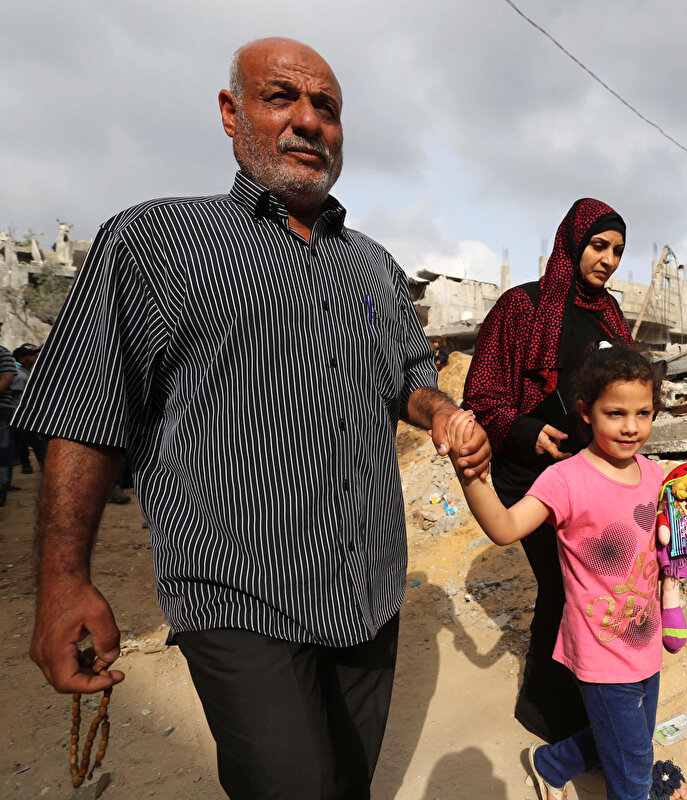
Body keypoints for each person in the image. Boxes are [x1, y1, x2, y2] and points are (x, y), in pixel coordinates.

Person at [16, 38, 491, 800]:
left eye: (327, 109)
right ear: (232, 114)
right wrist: (64, 580)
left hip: (367, 587)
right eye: (281, 98)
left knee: (348, 782)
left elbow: (405, 375)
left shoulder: (372, 265)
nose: (308, 121)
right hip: (238, 589)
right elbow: (84, 408)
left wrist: (440, 409)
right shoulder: (155, 242)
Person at [447, 346, 687, 800]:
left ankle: (551, 763)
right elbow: (505, 528)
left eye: (643, 413)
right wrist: (473, 478)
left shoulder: (654, 475)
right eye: (616, 412)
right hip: (601, 650)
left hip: (644, 639)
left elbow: (673, 543)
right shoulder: (565, 480)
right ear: (585, 412)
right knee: (634, 768)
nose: (631, 426)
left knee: (631, 741)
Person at [463, 198, 634, 743]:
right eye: (599, 245)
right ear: (573, 241)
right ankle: (549, 717)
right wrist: (523, 430)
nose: (607, 260)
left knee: (592, 590)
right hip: (533, 476)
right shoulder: (523, 308)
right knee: (562, 588)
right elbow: (482, 389)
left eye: (617, 252)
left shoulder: (611, 318)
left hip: (594, 477)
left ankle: (589, 707)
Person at [11, 344, 47, 474]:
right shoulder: (20, 376)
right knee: (34, 442)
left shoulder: (28, 372)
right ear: (22, 359)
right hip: (20, 414)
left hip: (26, 414)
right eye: (31, 354)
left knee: (27, 442)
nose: (36, 356)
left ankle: (31, 465)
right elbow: (13, 396)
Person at [0, 336, 16, 507]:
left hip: (1, 409)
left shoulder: (3, 353)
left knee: (2, 452)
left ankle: (1, 490)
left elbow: (7, 378)